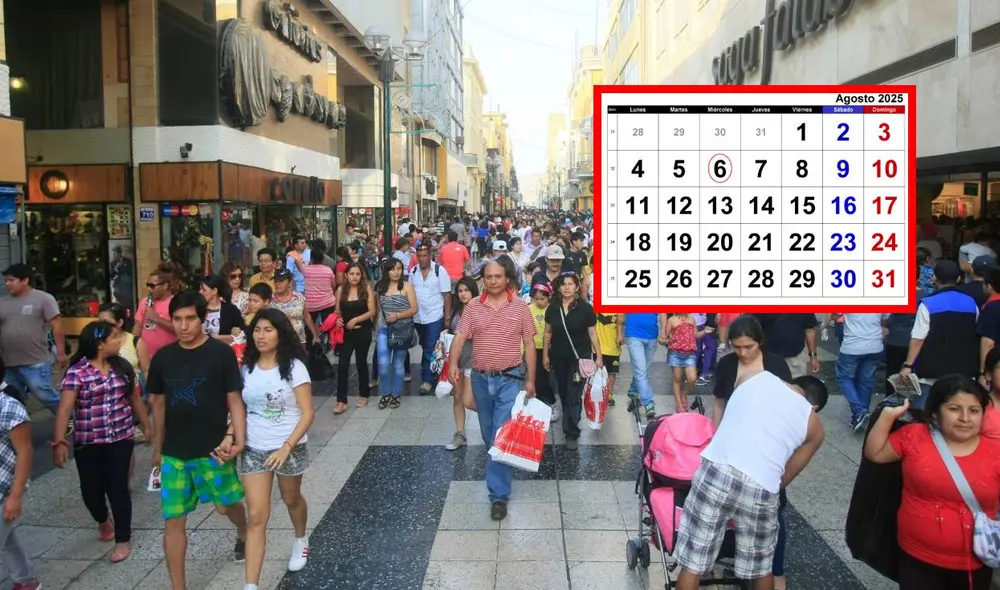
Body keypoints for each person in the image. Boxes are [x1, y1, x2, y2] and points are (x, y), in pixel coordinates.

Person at [674, 370, 827, 590]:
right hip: (761, 485)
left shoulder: (757, 378)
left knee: (693, 564)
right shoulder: (814, 425)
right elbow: (785, 476)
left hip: (716, 470)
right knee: (761, 568)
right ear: (814, 407)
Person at [146, 290, 249, 589]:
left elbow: (235, 398)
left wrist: (238, 439)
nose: (183, 326)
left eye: (190, 318)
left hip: (214, 449)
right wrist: (158, 449)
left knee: (227, 506)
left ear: (202, 319)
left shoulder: (220, 353)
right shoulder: (164, 357)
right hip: (175, 454)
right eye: (177, 319)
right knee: (173, 522)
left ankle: (242, 529)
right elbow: (159, 404)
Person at [864, 375, 1000, 590]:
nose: (965, 418)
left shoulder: (995, 452)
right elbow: (876, 454)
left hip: (975, 561)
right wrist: (887, 416)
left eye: (974, 410)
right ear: (936, 412)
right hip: (917, 557)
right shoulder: (914, 436)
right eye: (954, 409)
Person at [53, 320, 151, 563]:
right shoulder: (77, 372)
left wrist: (147, 427)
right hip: (88, 442)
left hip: (121, 437)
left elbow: (134, 399)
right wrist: (59, 441)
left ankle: (122, 539)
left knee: (118, 488)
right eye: (115, 337)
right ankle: (102, 519)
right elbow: (65, 409)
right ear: (99, 344)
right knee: (91, 492)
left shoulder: (123, 368)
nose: (120, 341)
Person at [448, 258, 537, 521]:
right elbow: (460, 337)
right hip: (480, 379)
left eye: (498, 276)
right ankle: (498, 463)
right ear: (483, 280)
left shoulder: (521, 307)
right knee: (489, 434)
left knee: (501, 434)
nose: (493, 281)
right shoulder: (473, 307)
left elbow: (530, 344)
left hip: (510, 378)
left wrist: (530, 379)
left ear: (507, 278)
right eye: (488, 277)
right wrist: (453, 363)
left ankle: (498, 496)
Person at [239, 309, 315, 589]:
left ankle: (300, 538)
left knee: (291, 498)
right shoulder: (246, 366)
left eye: (268, 330)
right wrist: (230, 434)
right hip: (255, 447)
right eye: (257, 330)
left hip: (289, 446)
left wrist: (286, 447)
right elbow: (241, 408)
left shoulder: (295, 367)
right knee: (256, 515)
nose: (261, 335)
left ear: (280, 333)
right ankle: (251, 585)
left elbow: (307, 413)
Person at [900, 260, 979, 409]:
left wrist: (908, 365)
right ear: (958, 279)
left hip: (932, 371)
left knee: (923, 411)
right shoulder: (971, 304)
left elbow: (918, 338)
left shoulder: (928, 304)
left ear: (934, 278)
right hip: (964, 370)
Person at [544, 272, 601, 450]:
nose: (567, 287)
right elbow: (548, 333)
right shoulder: (552, 308)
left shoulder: (585, 308)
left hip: (579, 358)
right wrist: (545, 355)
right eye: (563, 284)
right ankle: (568, 423)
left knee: (573, 395)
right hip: (558, 357)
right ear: (559, 287)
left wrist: (598, 356)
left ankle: (572, 433)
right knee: (562, 392)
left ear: (577, 287)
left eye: (570, 284)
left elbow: (592, 333)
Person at [0, 263, 65, 416]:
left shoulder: (44, 299)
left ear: (25, 280)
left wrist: (60, 353)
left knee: (45, 396)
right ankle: (18, 430)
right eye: (6, 280)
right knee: (12, 399)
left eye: (11, 280)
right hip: (9, 362)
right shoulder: (2, 302)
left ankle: (70, 416)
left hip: (35, 361)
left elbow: (57, 327)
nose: (7, 284)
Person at [0, 361, 39, 590]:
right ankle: (26, 579)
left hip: (4, 487)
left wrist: (16, 495)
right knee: (7, 538)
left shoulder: (9, 407)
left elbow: (25, 452)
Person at [831, 313, 888, 432]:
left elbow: (835, 316)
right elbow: (886, 319)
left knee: (844, 377)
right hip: (875, 346)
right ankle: (862, 414)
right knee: (866, 380)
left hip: (852, 347)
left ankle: (859, 411)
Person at [375, 258, 418, 409]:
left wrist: (397, 316)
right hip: (384, 329)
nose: (396, 272)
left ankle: (395, 394)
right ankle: (386, 393)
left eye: (399, 268)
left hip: (402, 330)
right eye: (393, 269)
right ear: (386, 271)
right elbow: (379, 310)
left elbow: (414, 309)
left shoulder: (407, 286)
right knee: (383, 363)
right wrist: (377, 328)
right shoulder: (380, 286)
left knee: (398, 364)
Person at [333, 263, 376, 414]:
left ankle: (364, 393)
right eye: (351, 274)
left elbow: (372, 311)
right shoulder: (340, 290)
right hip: (345, 332)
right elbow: (337, 311)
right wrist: (338, 319)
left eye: (357, 274)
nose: (354, 277)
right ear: (346, 275)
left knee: (361, 362)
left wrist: (356, 320)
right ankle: (341, 400)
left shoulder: (366, 289)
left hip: (362, 331)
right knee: (343, 364)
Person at [410, 243, 453, 394]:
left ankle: (427, 380)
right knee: (426, 347)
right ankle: (433, 372)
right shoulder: (413, 271)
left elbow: (447, 295)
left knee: (429, 347)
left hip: (435, 316)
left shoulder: (439, 271)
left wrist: (447, 318)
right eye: (419, 256)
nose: (422, 259)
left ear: (430, 256)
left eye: (425, 255)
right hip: (418, 317)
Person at [445, 277, 479, 451]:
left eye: (467, 290)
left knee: (468, 399)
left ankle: (496, 418)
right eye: (460, 290)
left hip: (474, 359)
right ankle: (460, 433)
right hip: (457, 360)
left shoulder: (480, 309)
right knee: (457, 397)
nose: (463, 294)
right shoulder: (457, 311)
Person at [133, 269, 177, 376]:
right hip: (146, 360)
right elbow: (138, 326)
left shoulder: (175, 302)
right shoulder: (145, 302)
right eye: (148, 285)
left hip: (170, 360)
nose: (149, 289)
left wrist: (156, 318)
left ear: (165, 286)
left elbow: (178, 329)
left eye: (152, 286)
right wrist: (133, 349)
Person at [755, 314, 821, 379]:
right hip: (769, 360)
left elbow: (809, 330)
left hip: (795, 360)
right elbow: (752, 329)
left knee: (797, 387)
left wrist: (813, 356)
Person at [624, 313, 664, 419]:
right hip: (633, 334)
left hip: (652, 336)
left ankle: (633, 391)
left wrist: (663, 331)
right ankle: (648, 403)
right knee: (641, 370)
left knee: (643, 370)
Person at [270, 269, 320, 349]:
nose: (277, 284)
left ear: (290, 282)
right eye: (276, 281)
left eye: (281, 281)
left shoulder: (299, 297)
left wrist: (315, 335)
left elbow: (307, 317)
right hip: (277, 343)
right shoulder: (269, 300)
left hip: (299, 341)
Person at [662, 313, 700, 412]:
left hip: (690, 353)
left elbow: (695, 335)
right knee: (677, 379)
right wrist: (664, 340)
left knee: (692, 378)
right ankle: (679, 405)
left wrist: (705, 332)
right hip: (675, 353)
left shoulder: (692, 319)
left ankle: (684, 393)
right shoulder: (672, 320)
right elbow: (665, 336)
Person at [199, 275, 246, 343]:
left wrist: (218, 338)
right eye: (200, 289)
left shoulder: (231, 310)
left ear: (214, 291)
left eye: (204, 290)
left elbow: (242, 335)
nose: (200, 292)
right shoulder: (197, 308)